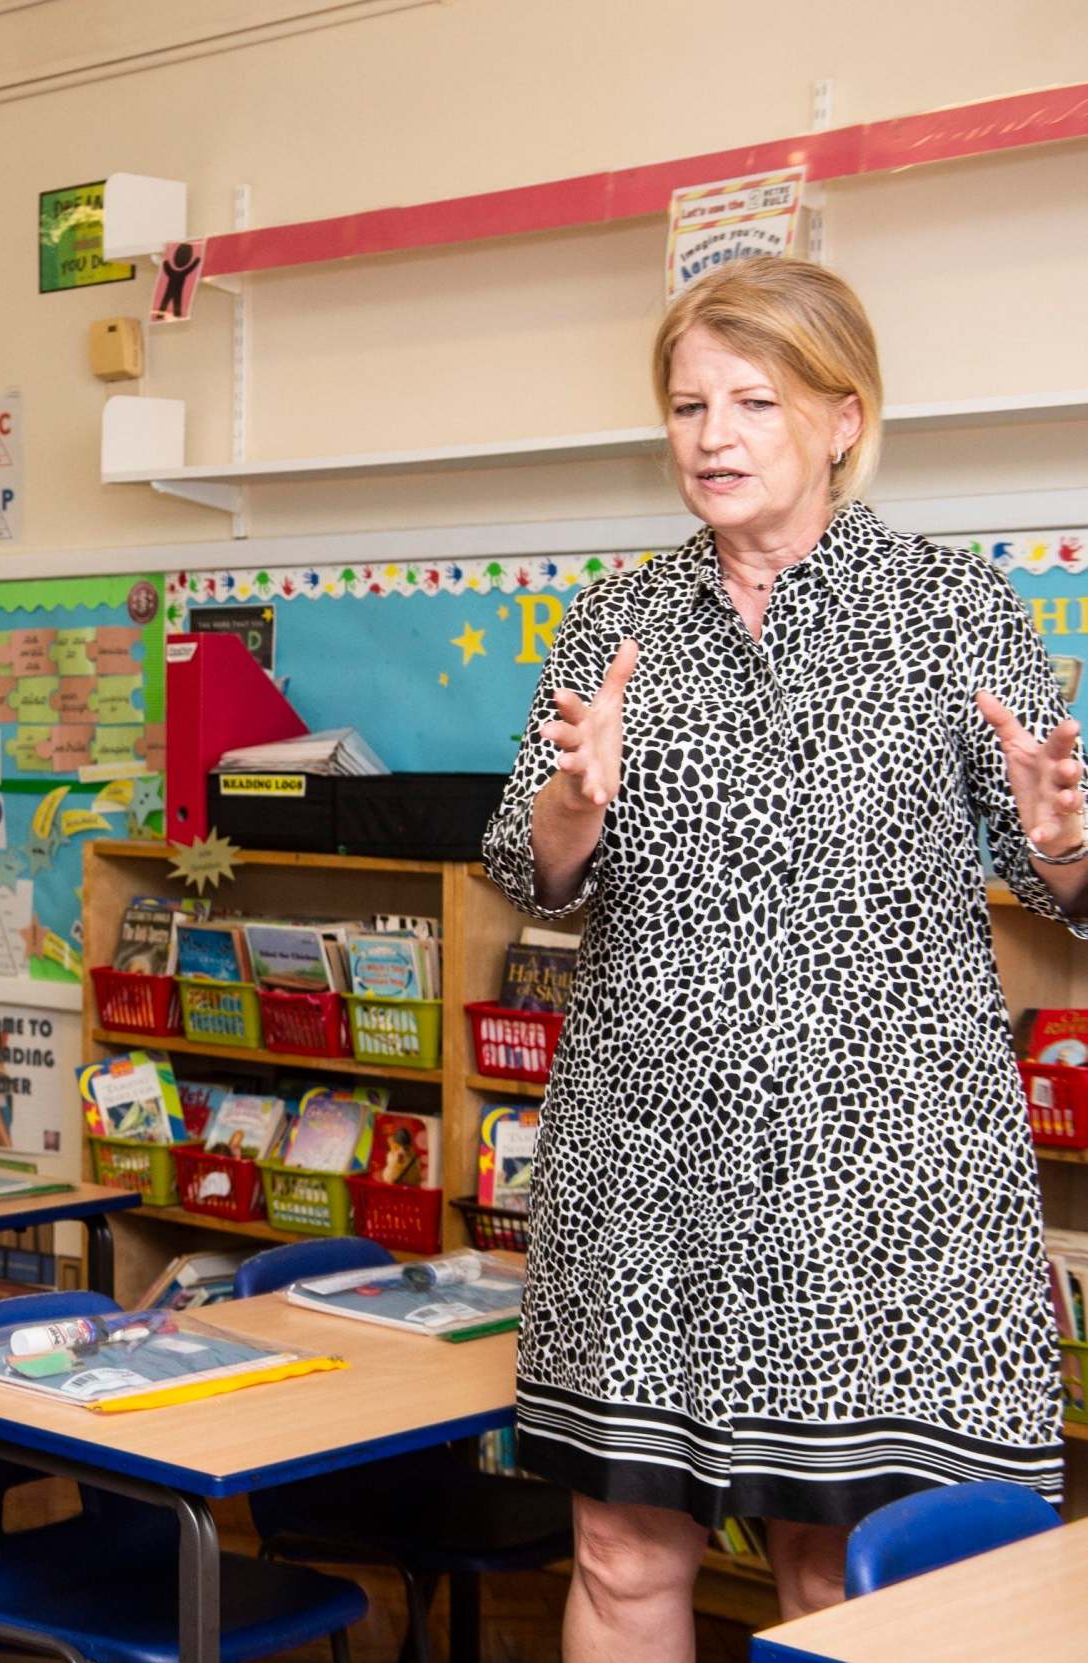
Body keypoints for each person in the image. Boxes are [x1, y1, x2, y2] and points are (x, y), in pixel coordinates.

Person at [482, 257, 1081, 1663]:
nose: (712, 435)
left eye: (754, 400)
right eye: (686, 404)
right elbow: (531, 870)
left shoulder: (952, 607)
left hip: (881, 1186)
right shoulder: (614, 618)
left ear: (840, 419)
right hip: (642, 1171)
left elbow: (1063, 886)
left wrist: (1060, 833)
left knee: (841, 1572)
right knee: (623, 1554)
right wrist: (575, 802)